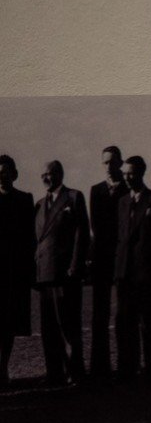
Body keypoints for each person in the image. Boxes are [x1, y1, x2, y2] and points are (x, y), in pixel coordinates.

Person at [113, 154, 151, 377]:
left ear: (142, 172)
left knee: (149, 323)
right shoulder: (122, 202)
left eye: (131, 173)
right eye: (124, 173)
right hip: (124, 273)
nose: (127, 177)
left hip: (146, 273)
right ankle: (127, 368)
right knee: (125, 323)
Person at [34, 159, 89, 387]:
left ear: (60, 174)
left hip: (65, 274)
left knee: (68, 325)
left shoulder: (74, 197)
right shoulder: (38, 205)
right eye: (43, 175)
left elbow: (82, 234)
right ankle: (53, 372)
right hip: (44, 275)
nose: (47, 178)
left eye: (50, 173)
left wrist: (75, 267)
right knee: (48, 329)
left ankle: (74, 372)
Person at [86, 145, 125, 376]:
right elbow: (96, 227)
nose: (108, 167)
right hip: (102, 259)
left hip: (122, 259)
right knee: (99, 315)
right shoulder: (96, 190)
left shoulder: (128, 189)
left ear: (120, 162)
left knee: (123, 313)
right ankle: (99, 367)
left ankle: (124, 366)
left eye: (112, 162)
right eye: (105, 162)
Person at [0, 156, 32, 385]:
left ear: (14, 174)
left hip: (14, 272)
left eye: (6, 172)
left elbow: (30, 236)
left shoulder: (24, 199)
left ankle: (3, 368)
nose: (3, 176)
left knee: (9, 323)